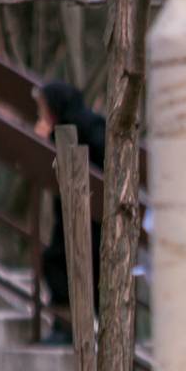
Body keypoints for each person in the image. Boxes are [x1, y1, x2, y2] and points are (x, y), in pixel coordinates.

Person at [34, 81, 105, 346]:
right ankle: (66, 327)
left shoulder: (88, 127)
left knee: (72, 268)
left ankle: (70, 329)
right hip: (71, 217)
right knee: (59, 264)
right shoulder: (74, 125)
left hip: (91, 218)